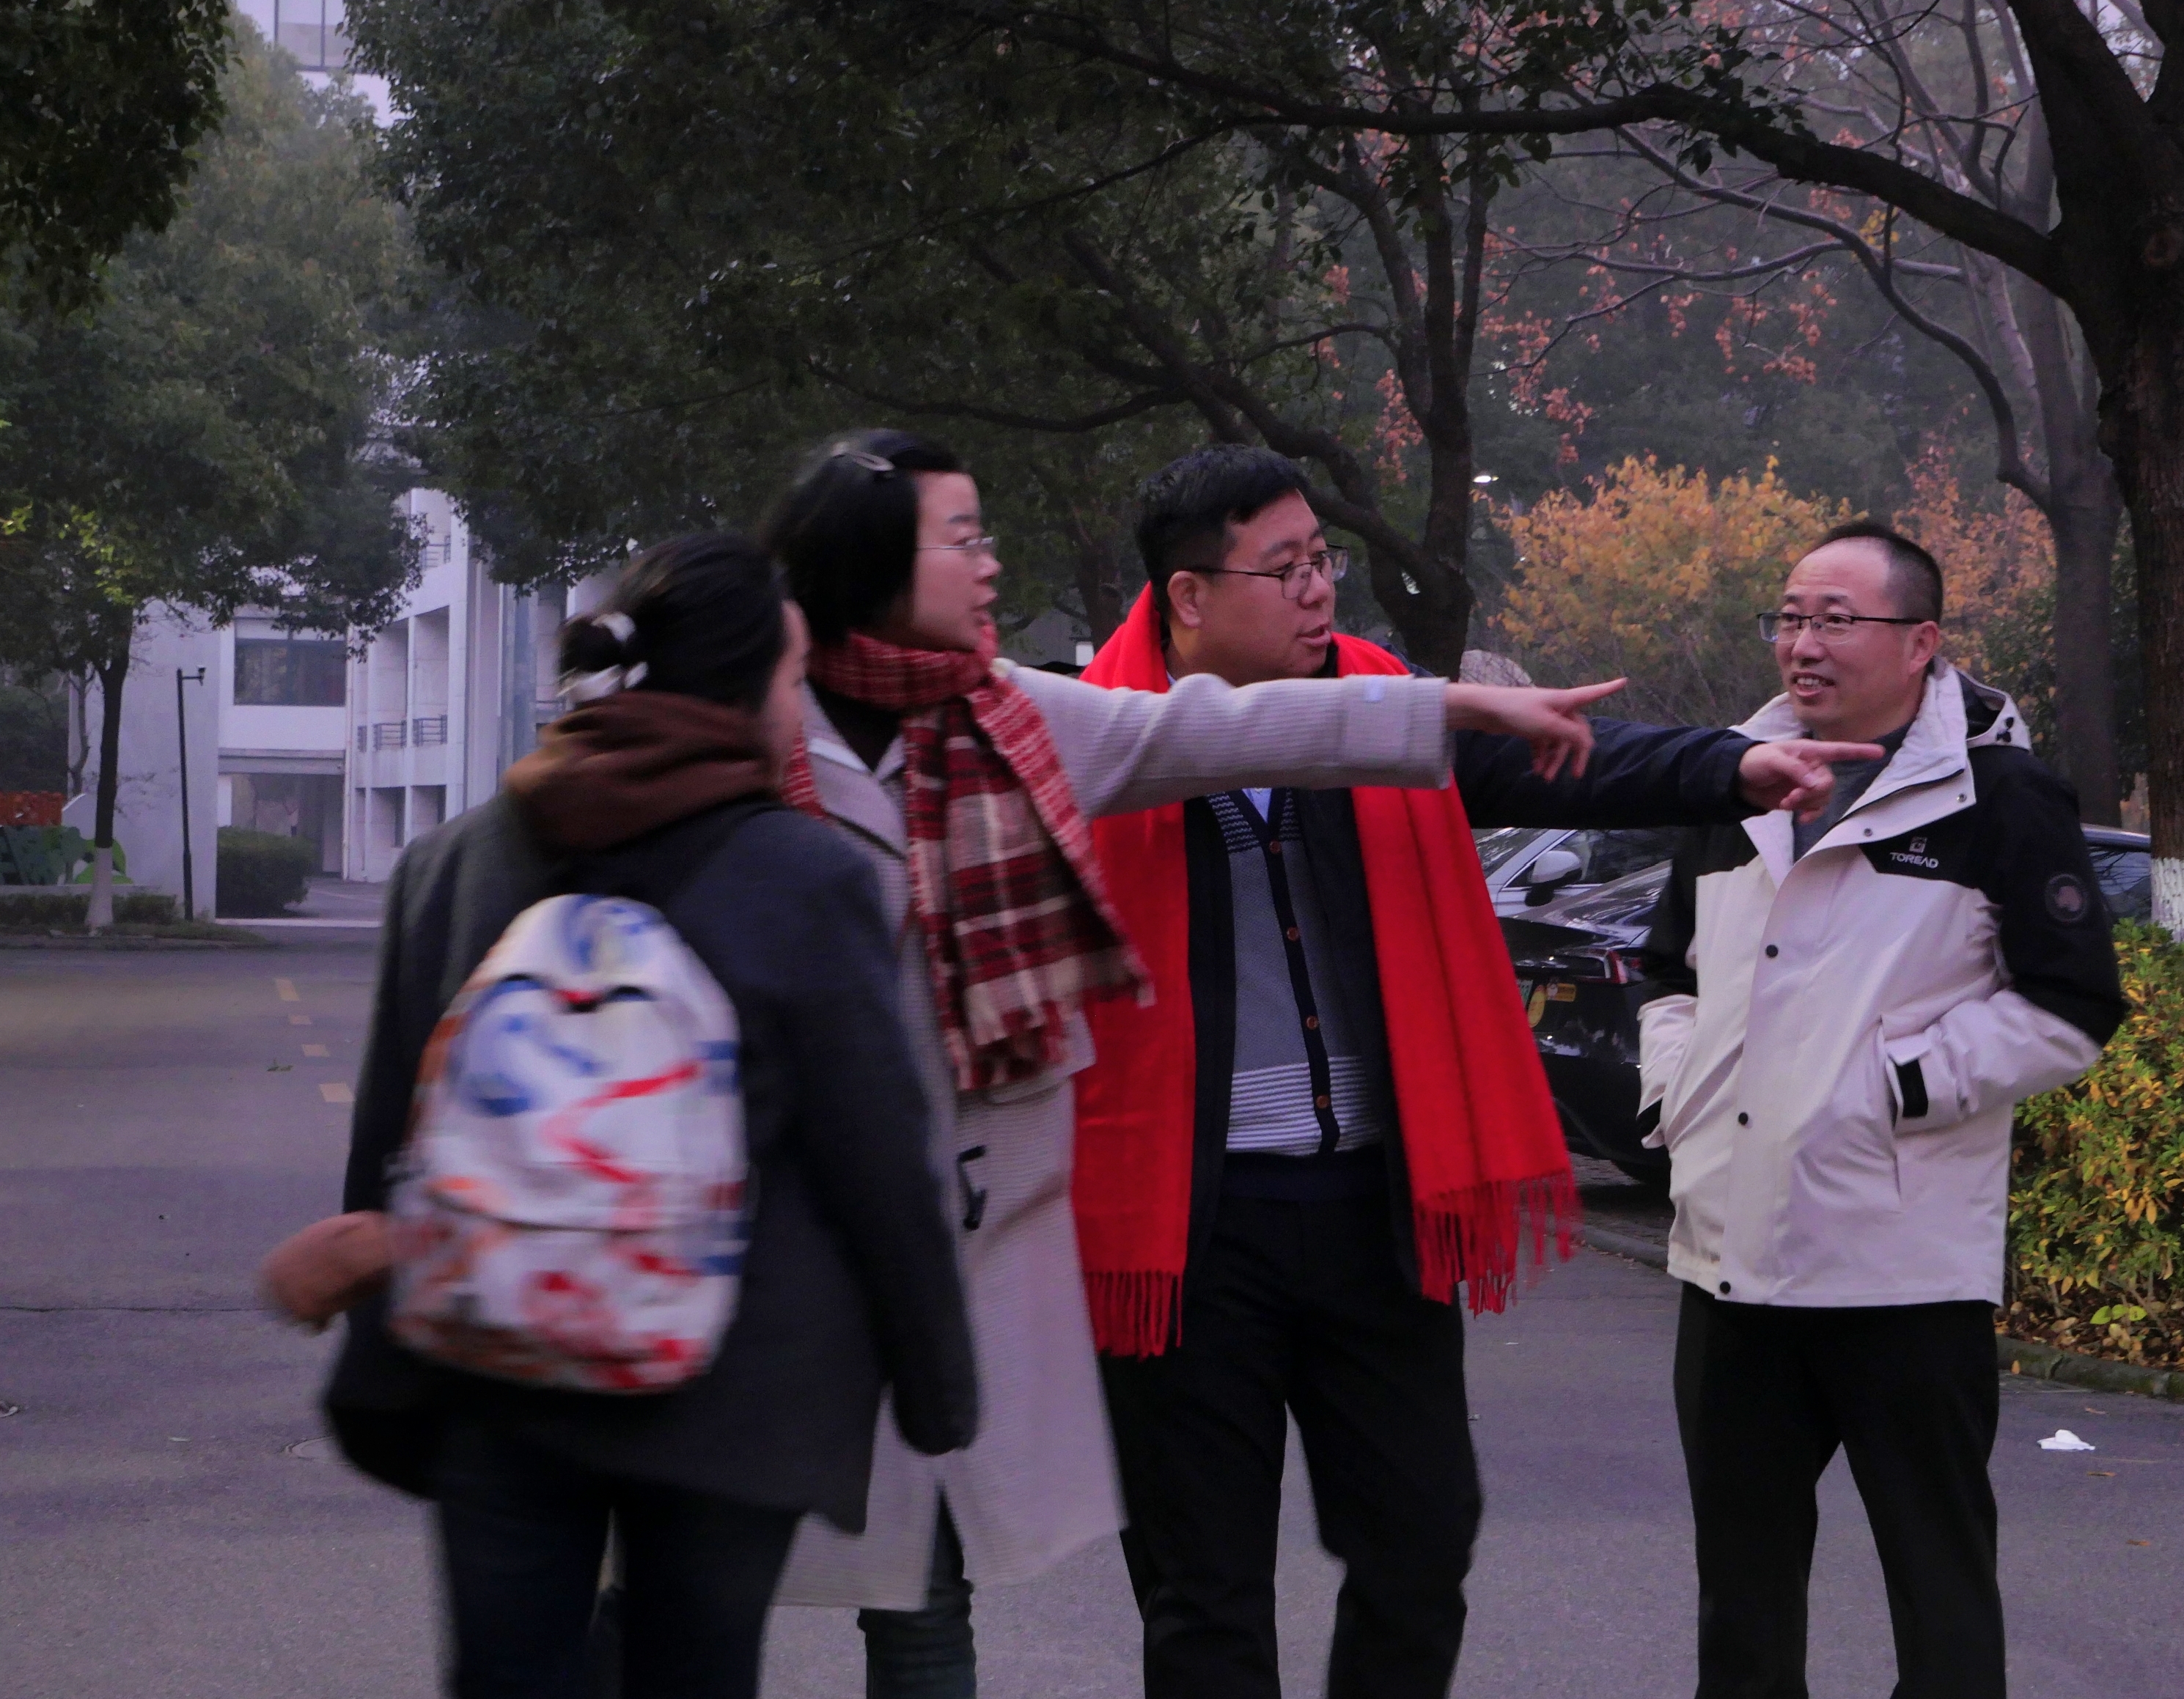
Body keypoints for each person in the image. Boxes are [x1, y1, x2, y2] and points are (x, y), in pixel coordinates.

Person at [760, 430, 1632, 1698]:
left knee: (936, 1598)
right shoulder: (759, 732)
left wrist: (1452, 706)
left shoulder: (1013, 714)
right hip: (867, 1222)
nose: (990, 562)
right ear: (870, 563)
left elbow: (1222, 732)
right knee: (829, 1580)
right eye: (962, 537)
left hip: (1042, 1213)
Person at [1071, 445, 1883, 1699]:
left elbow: (1566, 758)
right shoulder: (1089, 738)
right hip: (1183, 1229)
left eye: (1321, 560)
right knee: (1201, 1585)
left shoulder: (1392, 709)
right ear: (1188, 594)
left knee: (1420, 1542)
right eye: (1283, 570)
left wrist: (1727, 767)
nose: (1317, 591)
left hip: (1369, 1213)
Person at [317, 533, 978, 1699]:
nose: (798, 707)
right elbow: (878, 1159)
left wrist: (381, 1364)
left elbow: (392, 1139)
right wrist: (937, 1387)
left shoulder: (454, 862)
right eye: (791, 678)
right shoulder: (805, 874)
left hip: (495, 1364)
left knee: (508, 1679)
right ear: (745, 690)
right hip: (732, 1393)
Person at [1636, 521, 2126, 1699]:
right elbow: (1666, 973)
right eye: (1789, 617)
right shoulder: (1734, 780)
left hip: (1902, 1274)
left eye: (1835, 620)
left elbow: (2071, 1005)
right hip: (1729, 1268)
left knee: (1937, 1588)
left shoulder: (1997, 796)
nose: (1802, 643)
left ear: (1920, 643)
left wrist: (1893, 1086)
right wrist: (1677, 1090)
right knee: (1741, 1601)